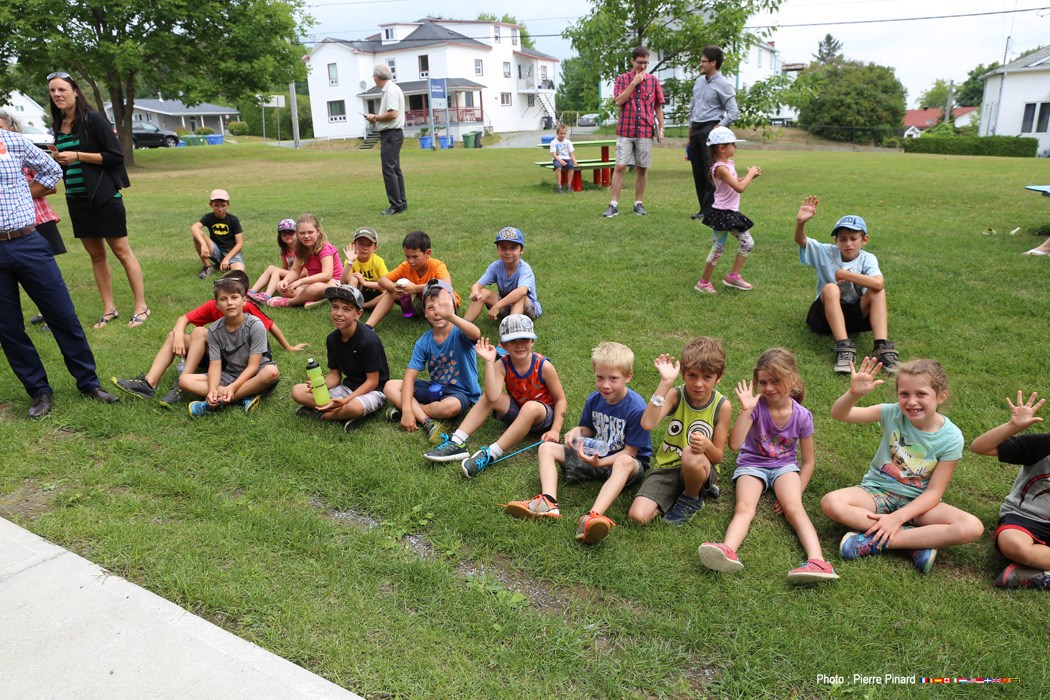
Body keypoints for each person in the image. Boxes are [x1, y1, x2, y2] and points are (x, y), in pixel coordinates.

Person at [0, 114, 120, 417]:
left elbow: (52, 169)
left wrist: (22, 194)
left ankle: (88, 382)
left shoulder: (14, 142)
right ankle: (39, 391)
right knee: (8, 328)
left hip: (27, 241)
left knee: (62, 314)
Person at [821, 357, 984, 574]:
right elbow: (840, 414)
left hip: (919, 504)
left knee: (972, 527)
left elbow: (935, 492)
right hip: (877, 491)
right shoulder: (892, 412)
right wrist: (854, 394)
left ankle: (878, 541)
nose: (911, 401)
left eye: (921, 394)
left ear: (941, 396)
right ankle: (915, 541)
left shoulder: (952, 437)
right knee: (832, 503)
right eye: (904, 394)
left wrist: (897, 518)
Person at [698, 349, 838, 583]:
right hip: (752, 464)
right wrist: (746, 410)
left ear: (792, 380)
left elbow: (809, 461)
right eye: (763, 382)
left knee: (794, 507)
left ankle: (818, 561)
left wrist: (798, 490)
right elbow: (735, 444)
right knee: (744, 507)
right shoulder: (757, 407)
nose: (769, 388)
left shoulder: (802, 416)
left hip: (785, 467)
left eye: (775, 381)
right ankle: (727, 550)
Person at [504, 341, 652, 546]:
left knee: (625, 461)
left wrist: (600, 463)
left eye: (613, 379)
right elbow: (588, 429)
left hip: (625, 465)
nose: (605, 385)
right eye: (600, 378)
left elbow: (631, 452)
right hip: (596, 453)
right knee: (546, 447)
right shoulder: (594, 399)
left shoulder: (636, 409)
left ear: (628, 377)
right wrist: (576, 431)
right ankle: (548, 502)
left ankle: (593, 516)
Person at [47, 71, 149, 329]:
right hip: (77, 199)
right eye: (52, 91)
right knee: (96, 256)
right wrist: (60, 158)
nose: (57, 95)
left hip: (104, 196)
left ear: (75, 92)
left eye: (62, 90)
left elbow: (115, 156)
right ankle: (109, 309)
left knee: (122, 253)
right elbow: (68, 161)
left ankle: (141, 307)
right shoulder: (58, 125)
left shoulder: (93, 120)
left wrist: (78, 155)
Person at [112, 270, 304, 405]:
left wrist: (289, 347)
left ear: (243, 298)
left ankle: (211, 391)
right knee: (182, 334)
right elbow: (184, 320)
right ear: (217, 301)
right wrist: (179, 335)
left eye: (234, 295)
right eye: (224, 296)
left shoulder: (250, 315)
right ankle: (150, 383)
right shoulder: (214, 313)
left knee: (198, 332)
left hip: (240, 361)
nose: (229, 301)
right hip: (220, 357)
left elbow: (270, 327)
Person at [423, 314, 567, 479]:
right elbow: (492, 397)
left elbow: (560, 399)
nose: (520, 345)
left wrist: (555, 429)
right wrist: (490, 362)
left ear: (532, 341)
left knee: (530, 407)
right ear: (503, 344)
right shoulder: (502, 364)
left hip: (541, 416)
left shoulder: (543, 366)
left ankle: (491, 454)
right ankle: (457, 441)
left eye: (525, 340)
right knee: (488, 398)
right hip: (518, 412)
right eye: (513, 341)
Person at [628, 337, 731, 526]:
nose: (699, 383)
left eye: (707, 377)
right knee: (637, 517)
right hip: (667, 468)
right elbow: (647, 423)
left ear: (719, 376)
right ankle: (689, 491)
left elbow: (717, 457)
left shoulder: (722, 406)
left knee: (691, 453)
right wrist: (665, 383)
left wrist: (707, 445)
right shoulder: (676, 394)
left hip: (700, 465)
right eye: (692, 375)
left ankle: (691, 498)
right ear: (683, 374)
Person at [794, 195, 899, 374]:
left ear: (864, 240)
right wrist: (801, 223)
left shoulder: (868, 258)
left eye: (853, 238)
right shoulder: (826, 252)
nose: (848, 243)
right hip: (825, 317)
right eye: (842, 239)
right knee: (830, 287)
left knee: (877, 291)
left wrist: (846, 275)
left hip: (855, 316)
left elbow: (879, 283)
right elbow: (801, 240)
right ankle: (843, 348)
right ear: (836, 241)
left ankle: (882, 347)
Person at [383, 280, 481, 444]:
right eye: (431, 308)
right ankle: (427, 420)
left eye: (443, 306)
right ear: (425, 313)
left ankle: (414, 410)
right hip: (435, 390)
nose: (437, 312)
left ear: (453, 306)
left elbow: (475, 333)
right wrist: (407, 409)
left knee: (449, 408)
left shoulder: (460, 331)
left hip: (461, 393)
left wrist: (451, 316)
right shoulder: (424, 342)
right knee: (389, 386)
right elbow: (410, 377)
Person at [971, 391, 1050, 588]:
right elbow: (980, 447)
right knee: (1012, 544)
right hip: (1026, 518)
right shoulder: (1043, 445)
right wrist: (1012, 426)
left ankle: (1038, 574)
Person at [0, 109, 68, 329]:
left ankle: (49, 314)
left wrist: (21, 193)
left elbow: (51, 181)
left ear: (10, 128)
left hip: (34, 221)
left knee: (47, 286)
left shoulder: (19, 149)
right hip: (10, 227)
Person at [292, 285, 390, 429]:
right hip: (347, 388)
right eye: (335, 307)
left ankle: (325, 415)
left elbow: (372, 382)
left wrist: (346, 401)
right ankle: (341, 413)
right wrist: (319, 386)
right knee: (298, 391)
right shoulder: (332, 339)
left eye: (347, 309)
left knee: (355, 407)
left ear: (359, 314)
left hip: (374, 391)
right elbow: (335, 375)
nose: (338, 313)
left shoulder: (369, 341)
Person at [180, 276, 281, 417]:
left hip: (256, 372)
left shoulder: (255, 325)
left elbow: (253, 366)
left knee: (272, 372)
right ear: (216, 304)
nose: (229, 303)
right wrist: (212, 389)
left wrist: (233, 387)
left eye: (234, 297)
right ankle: (243, 396)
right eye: (223, 299)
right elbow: (215, 364)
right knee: (184, 381)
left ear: (244, 301)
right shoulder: (214, 330)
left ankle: (223, 399)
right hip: (230, 374)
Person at [693, 127, 760, 295]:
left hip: (729, 212)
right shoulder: (720, 167)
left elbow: (735, 182)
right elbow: (739, 188)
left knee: (742, 244)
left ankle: (733, 276)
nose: (735, 147)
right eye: (733, 145)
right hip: (722, 214)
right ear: (722, 148)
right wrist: (750, 174)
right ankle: (704, 282)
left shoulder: (728, 165)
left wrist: (748, 177)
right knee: (721, 247)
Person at [601, 47, 665, 218]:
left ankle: (638, 203)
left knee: (642, 168)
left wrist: (661, 127)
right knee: (620, 165)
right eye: (639, 62)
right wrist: (633, 83)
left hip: (645, 130)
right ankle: (613, 204)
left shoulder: (653, 81)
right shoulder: (622, 79)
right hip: (625, 130)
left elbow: (658, 106)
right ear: (632, 61)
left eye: (645, 62)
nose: (643, 66)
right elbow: (619, 101)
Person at [366, 231, 460, 328]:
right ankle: (368, 326)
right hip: (423, 305)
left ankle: (446, 319)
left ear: (427, 253)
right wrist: (395, 288)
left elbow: (446, 285)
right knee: (391, 292)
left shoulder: (437, 266)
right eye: (407, 256)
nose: (410, 261)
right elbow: (382, 280)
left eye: (415, 257)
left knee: (442, 292)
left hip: (443, 306)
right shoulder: (406, 266)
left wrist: (415, 288)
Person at [688, 46, 739, 220]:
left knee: (710, 172)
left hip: (710, 129)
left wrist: (718, 127)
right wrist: (690, 133)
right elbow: (693, 107)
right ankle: (703, 209)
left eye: (703, 61)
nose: (700, 64)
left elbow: (733, 112)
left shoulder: (724, 85)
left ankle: (709, 211)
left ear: (713, 63)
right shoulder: (699, 82)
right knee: (697, 171)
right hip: (695, 128)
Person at [463, 227, 541, 323]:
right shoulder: (496, 266)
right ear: (497, 250)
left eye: (513, 248)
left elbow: (521, 291)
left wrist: (497, 306)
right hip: (506, 306)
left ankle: (511, 331)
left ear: (521, 250)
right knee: (482, 292)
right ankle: (462, 327)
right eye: (503, 248)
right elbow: (478, 285)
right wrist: (475, 291)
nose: (508, 252)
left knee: (520, 297)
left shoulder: (524, 269)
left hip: (527, 310)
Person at [266, 213, 343, 307]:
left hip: (332, 283)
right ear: (297, 234)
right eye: (302, 233)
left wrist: (301, 281)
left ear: (318, 232)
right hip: (313, 282)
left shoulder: (324, 248)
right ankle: (314, 298)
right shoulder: (301, 248)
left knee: (314, 288)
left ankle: (289, 302)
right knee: (280, 286)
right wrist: (285, 280)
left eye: (310, 232)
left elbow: (327, 275)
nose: (306, 236)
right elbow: (295, 270)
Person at [366, 64, 407, 215]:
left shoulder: (389, 91)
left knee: (389, 170)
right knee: (395, 169)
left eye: (373, 77)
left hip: (391, 134)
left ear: (377, 77)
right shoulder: (393, 88)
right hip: (395, 133)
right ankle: (401, 203)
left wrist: (374, 117)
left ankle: (395, 205)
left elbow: (392, 114)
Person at [191, 188, 245, 279]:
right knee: (197, 234)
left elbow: (240, 243)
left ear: (228, 205)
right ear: (211, 205)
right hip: (216, 251)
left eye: (223, 205)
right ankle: (208, 266)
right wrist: (203, 244)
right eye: (216, 205)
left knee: (238, 272)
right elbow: (194, 227)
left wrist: (227, 258)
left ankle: (227, 271)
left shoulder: (233, 219)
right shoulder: (208, 217)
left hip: (232, 253)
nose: (220, 209)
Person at [247, 218, 298, 304]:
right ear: (280, 236)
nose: (287, 235)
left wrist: (282, 274)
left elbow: (304, 272)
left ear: (297, 233)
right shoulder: (285, 250)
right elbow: (285, 268)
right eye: (283, 233)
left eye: (291, 232)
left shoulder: (301, 249)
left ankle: (266, 296)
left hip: (300, 276)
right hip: (290, 275)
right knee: (271, 268)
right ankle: (252, 292)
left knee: (276, 271)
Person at [337, 227, 388, 310]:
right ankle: (353, 302)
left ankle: (361, 306)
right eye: (361, 244)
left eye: (369, 245)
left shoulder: (378, 261)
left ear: (375, 248)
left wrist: (365, 283)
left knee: (389, 292)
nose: (365, 248)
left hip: (377, 295)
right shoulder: (351, 260)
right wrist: (350, 262)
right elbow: (343, 281)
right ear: (354, 244)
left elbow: (386, 285)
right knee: (353, 278)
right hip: (359, 293)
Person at [550, 124, 576, 193]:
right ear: (557, 133)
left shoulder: (568, 142)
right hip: (557, 159)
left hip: (567, 158)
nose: (563, 135)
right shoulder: (553, 142)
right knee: (558, 167)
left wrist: (575, 162)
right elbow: (554, 155)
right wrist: (561, 161)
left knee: (571, 166)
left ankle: (569, 186)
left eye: (564, 133)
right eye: (561, 133)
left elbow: (571, 154)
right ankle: (559, 187)